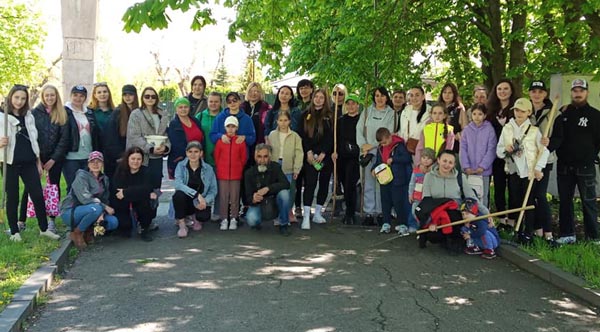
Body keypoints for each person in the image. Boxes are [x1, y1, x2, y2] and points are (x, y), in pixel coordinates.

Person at [0, 85, 60, 242]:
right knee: (12, 197)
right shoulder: (2, 116)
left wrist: (38, 162)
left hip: (29, 162)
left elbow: (34, 139)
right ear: (10, 97)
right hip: (10, 162)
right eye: (16, 97)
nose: (19, 101)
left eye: (23, 98)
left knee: (37, 195)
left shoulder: (28, 116)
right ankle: (14, 232)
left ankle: (44, 229)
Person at [496, 98, 549, 244]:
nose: (519, 113)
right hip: (513, 171)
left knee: (529, 202)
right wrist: (505, 150)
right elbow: (499, 151)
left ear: (529, 112)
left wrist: (538, 168)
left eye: (522, 111)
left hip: (528, 172)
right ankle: (518, 231)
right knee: (515, 200)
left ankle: (528, 232)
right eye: (517, 110)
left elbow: (544, 151)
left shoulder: (534, 131)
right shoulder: (507, 128)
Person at [18, 84, 69, 233]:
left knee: (54, 186)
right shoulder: (34, 113)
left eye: (52, 95)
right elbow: (31, 137)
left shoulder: (62, 113)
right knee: (29, 187)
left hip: (55, 159)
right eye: (47, 95)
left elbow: (64, 139)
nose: (49, 98)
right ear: (42, 96)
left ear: (56, 96)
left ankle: (51, 220)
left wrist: (53, 159)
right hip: (37, 157)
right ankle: (21, 221)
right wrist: (37, 159)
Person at [555, 78, 600, 244]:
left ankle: (593, 236)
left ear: (587, 92)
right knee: (565, 201)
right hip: (564, 166)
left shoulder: (596, 115)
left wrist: (589, 156)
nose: (578, 93)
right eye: (575, 91)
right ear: (571, 93)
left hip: (586, 166)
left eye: (581, 90)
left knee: (589, 202)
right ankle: (567, 234)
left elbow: (597, 142)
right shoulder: (563, 112)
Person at [418, 150, 489, 249]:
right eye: (444, 161)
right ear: (438, 160)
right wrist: (430, 221)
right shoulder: (429, 177)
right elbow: (426, 200)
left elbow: (472, 197)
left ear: (454, 164)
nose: (447, 165)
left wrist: (487, 214)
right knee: (434, 237)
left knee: (456, 246)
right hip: (436, 213)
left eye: (450, 162)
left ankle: (452, 239)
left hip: (455, 214)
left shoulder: (460, 177)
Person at [355, 87, 397, 226]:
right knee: (367, 183)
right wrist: (363, 146)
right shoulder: (367, 111)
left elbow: (389, 133)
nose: (379, 98)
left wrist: (372, 145)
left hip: (382, 151)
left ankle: (380, 212)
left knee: (381, 183)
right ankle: (368, 212)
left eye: (382, 96)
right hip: (366, 152)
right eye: (377, 96)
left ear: (387, 97)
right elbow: (359, 129)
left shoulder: (392, 114)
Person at [60, 151, 117, 248]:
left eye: (98, 161)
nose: (95, 164)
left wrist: (102, 214)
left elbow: (105, 199)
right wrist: (103, 207)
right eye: (92, 161)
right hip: (71, 212)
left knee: (113, 222)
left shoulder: (105, 179)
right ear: (88, 164)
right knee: (96, 209)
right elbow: (84, 199)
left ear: (102, 164)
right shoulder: (81, 176)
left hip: (93, 209)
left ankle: (87, 231)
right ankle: (77, 233)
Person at [529, 80, 560, 244]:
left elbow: (559, 137)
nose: (537, 94)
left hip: (544, 160)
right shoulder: (525, 110)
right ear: (529, 93)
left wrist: (550, 143)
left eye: (540, 91)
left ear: (545, 94)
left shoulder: (554, 112)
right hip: (527, 160)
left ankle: (548, 232)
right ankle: (537, 229)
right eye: (533, 91)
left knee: (540, 195)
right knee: (531, 195)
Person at [298, 88, 334, 229]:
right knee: (310, 183)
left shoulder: (330, 116)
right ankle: (307, 215)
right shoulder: (305, 115)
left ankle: (318, 213)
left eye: (321, 97)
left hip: (325, 156)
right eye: (316, 97)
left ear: (325, 100)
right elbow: (303, 135)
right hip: (310, 155)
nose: (318, 99)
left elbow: (330, 136)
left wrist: (324, 152)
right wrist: (308, 152)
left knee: (324, 183)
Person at [486, 79, 517, 229]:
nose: (502, 92)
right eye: (499, 89)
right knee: (498, 188)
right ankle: (501, 219)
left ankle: (512, 220)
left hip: (514, 156)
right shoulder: (490, 111)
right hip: (496, 156)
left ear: (511, 91)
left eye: (506, 89)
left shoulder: (517, 110)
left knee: (513, 188)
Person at [126, 86, 170, 192]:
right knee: (141, 191)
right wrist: (150, 148)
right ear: (142, 98)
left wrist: (166, 147)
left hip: (157, 159)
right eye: (147, 96)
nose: (150, 98)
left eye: (153, 96)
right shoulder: (136, 114)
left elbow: (166, 135)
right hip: (141, 159)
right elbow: (134, 136)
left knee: (155, 192)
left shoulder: (162, 114)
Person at [244, 144, 292, 236]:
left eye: (265, 157)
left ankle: (284, 224)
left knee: (285, 194)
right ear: (255, 157)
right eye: (259, 156)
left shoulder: (276, 167)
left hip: (274, 202)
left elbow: (286, 184)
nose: (262, 160)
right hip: (259, 204)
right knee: (251, 219)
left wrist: (268, 188)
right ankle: (258, 223)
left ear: (269, 157)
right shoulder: (249, 173)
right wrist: (253, 198)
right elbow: (247, 197)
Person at [172, 141, 217, 238]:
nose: (193, 154)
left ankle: (195, 217)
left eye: (196, 151)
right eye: (190, 151)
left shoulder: (208, 169)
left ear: (201, 153)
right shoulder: (181, 166)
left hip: (200, 201)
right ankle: (182, 224)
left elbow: (213, 190)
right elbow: (178, 184)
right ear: (186, 153)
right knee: (178, 195)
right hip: (186, 199)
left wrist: (205, 201)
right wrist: (196, 194)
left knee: (204, 217)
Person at [111, 147, 156, 241]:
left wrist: (126, 192)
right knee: (125, 228)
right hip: (123, 202)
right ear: (128, 159)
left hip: (138, 200)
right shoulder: (120, 170)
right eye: (133, 159)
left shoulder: (146, 171)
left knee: (147, 200)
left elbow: (147, 188)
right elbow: (118, 191)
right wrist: (137, 192)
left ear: (142, 160)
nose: (135, 161)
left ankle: (144, 228)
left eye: (139, 159)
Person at [372, 128, 412, 234]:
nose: (384, 145)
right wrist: (374, 170)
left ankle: (402, 224)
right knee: (385, 202)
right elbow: (378, 162)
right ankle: (386, 223)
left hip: (397, 179)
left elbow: (407, 158)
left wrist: (394, 159)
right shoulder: (380, 148)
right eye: (381, 143)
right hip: (384, 179)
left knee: (398, 202)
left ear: (390, 137)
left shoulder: (399, 145)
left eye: (385, 142)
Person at [267, 111, 303, 223]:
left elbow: (299, 153)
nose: (283, 123)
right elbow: (268, 151)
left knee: (289, 192)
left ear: (290, 121)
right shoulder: (272, 134)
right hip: (275, 167)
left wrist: (296, 168)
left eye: (285, 120)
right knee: (277, 192)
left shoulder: (295, 136)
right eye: (280, 120)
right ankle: (278, 215)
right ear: (277, 121)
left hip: (289, 167)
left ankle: (286, 214)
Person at [63, 85, 100, 192]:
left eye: (81, 96)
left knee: (86, 187)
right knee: (73, 187)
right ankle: (70, 208)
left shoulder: (89, 113)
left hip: (88, 156)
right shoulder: (65, 112)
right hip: (71, 157)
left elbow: (95, 134)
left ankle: (84, 209)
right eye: (75, 95)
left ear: (85, 98)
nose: (78, 98)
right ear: (71, 96)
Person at [460, 103, 497, 208]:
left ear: (484, 115)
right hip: (469, 171)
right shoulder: (467, 130)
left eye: (480, 114)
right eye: (474, 114)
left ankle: (483, 219)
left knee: (482, 195)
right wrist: (466, 166)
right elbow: (463, 149)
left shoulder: (489, 129)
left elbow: (491, 149)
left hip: (483, 172)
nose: (477, 116)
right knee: (469, 195)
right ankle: (469, 218)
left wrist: (483, 166)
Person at [214, 116, 247, 231]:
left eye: (233, 126)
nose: (231, 129)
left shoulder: (240, 142)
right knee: (223, 197)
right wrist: (220, 168)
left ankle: (234, 218)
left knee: (235, 197)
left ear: (237, 128)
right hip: (223, 174)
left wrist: (238, 168)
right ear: (225, 128)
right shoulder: (220, 141)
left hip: (235, 175)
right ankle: (224, 219)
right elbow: (217, 157)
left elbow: (243, 158)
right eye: (228, 126)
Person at [333, 94, 361, 225]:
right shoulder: (341, 120)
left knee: (351, 184)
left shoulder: (362, 120)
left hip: (354, 157)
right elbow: (336, 138)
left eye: (353, 104)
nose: (351, 106)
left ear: (357, 105)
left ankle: (350, 212)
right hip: (342, 156)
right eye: (348, 104)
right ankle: (347, 210)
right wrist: (334, 151)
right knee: (344, 183)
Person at [104, 84, 139, 178]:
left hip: (136, 157)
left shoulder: (140, 112)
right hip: (119, 157)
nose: (127, 97)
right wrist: (120, 156)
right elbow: (111, 138)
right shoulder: (117, 113)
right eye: (125, 95)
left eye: (130, 94)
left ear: (135, 96)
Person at [167, 97, 204, 179]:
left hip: (198, 159)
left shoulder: (196, 121)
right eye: (180, 107)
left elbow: (202, 138)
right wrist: (191, 155)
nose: (183, 109)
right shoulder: (174, 124)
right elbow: (176, 144)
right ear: (176, 109)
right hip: (181, 161)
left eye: (185, 107)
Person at [399, 86, 431, 164]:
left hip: (424, 153)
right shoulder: (405, 111)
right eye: (411, 95)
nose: (414, 98)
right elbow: (402, 131)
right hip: (406, 150)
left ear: (423, 97)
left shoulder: (430, 112)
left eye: (417, 95)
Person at [407, 148, 436, 233]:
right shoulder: (416, 170)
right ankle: (417, 225)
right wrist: (410, 194)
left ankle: (425, 226)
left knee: (428, 213)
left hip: (428, 198)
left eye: (429, 158)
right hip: (417, 197)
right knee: (414, 211)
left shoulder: (433, 171)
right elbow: (412, 183)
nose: (426, 160)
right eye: (424, 158)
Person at [195, 91, 222, 167]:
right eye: (211, 101)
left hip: (222, 158)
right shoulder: (200, 116)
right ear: (207, 102)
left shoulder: (226, 116)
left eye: (216, 101)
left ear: (220, 102)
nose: (213, 104)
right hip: (204, 158)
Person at [438, 83, 467, 152]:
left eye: (450, 93)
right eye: (444, 92)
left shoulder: (459, 109)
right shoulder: (437, 108)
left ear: (454, 94)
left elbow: (465, 129)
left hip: (454, 147)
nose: (447, 95)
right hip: (437, 145)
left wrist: (458, 135)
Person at [242, 82, 271, 146]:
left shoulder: (266, 108)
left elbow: (268, 126)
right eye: (251, 91)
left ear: (260, 93)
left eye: (256, 91)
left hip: (260, 142)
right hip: (243, 142)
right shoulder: (241, 108)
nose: (253, 94)